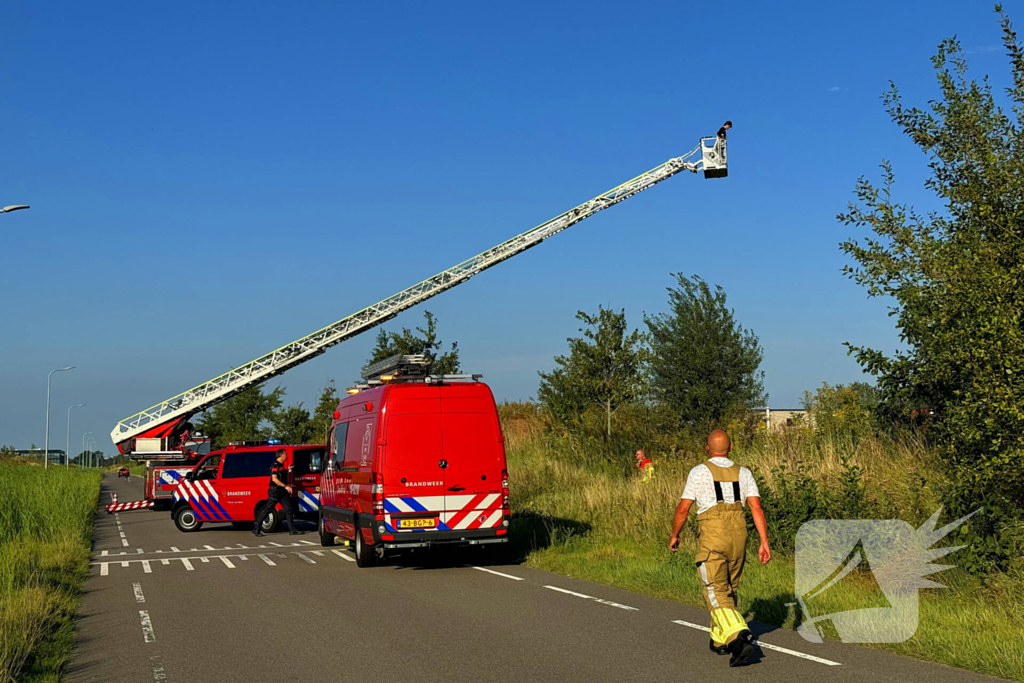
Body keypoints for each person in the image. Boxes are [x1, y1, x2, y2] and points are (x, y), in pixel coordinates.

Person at [669, 429, 770, 667]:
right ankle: (719, 639)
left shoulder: (699, 471)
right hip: (739, 535)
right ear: (731, 448)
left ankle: (739, 637)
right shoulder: (744, 472)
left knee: (714, 590)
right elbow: (756, 508)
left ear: (707, 449)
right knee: (729, 589)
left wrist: (675, 534)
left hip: (713, 536)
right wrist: (764, 541)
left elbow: (683, 508)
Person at [253, 449, 298, 537]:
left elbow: (281, 474)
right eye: (285, 454)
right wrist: (286, 486)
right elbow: (274, 479)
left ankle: (292, 530)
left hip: (282, 492)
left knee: (288, 509)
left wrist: (287, 470)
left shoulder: (281, 465)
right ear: (281, 455)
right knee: (268, 510)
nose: (286, 456)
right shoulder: (275, 465)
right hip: (275, 491)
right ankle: (256, 528)